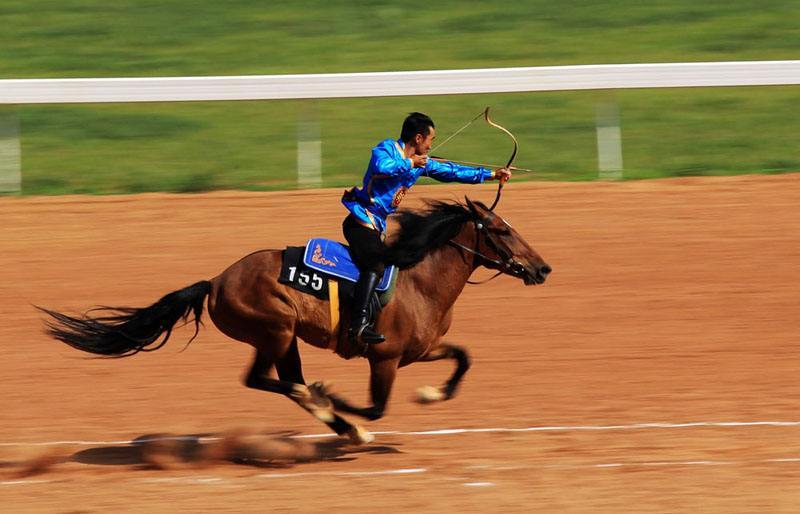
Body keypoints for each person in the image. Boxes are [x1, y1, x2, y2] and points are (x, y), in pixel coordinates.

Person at [341, 112, 512, 346]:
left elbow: (453, 171)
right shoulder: (387, 149)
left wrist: (492, 175)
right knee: (375, 265)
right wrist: (411, 162)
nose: (431, 145)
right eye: (431, 139)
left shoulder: (421, 163)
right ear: (419, 138)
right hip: (360, 221)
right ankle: (358, 326)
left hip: (377, 226)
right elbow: (382, 167)